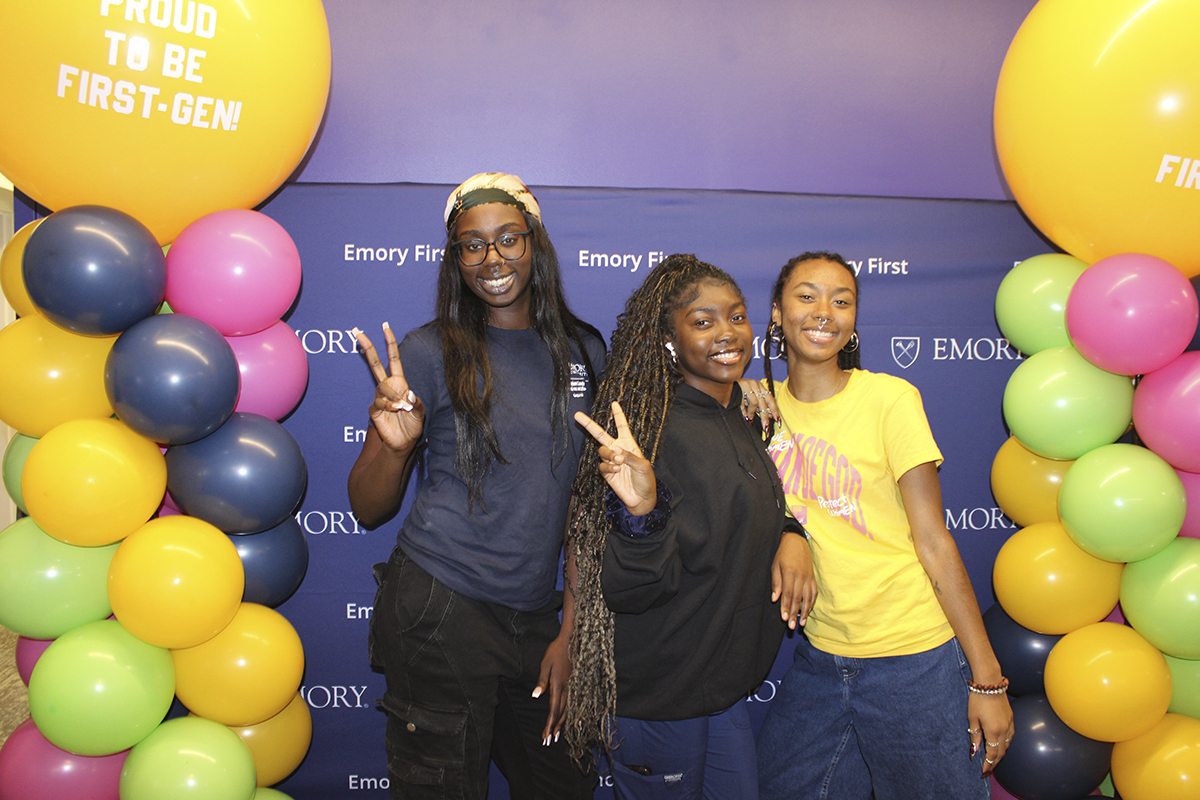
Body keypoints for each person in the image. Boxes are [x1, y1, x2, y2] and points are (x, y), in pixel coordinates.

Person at [347, 173, 604, 800]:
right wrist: (392, 441)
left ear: (535, 243)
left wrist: (570, 629)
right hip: (441, 607)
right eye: (472, 245)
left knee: (562, 784)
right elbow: (368, 506)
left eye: (508, 238)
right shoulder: (430, 352)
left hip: (537, 617)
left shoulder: (584, 350)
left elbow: (584, 506)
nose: (492, 259)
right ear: (455, 257)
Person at [749, 251, 1014, 800]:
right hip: (821, 657)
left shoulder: (890, 399)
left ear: (852, 323)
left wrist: (986, 679)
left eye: (842, 301)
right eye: (806, 296)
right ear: (776, 313)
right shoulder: (757, 409)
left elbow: (934, 540)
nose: (825, 311)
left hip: (914, 659)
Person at [565, 254, 817, 800]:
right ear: (668, 340)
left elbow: (760, 506)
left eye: (737, 316)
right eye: (703, 322)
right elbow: (631, 590)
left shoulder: (745, 413)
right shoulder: (651, 435)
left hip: (719, 691)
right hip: (659, 700)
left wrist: (793, 533)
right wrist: (640, 512)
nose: (727, 333)